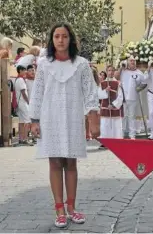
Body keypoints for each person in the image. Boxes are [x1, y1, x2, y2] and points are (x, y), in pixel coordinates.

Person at [29, 22, 100, 228]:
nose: (61, 40)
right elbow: (38, 91)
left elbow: (90, 93)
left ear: (71, 39)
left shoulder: (81, 64)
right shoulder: (44, 64)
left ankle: (72, 208)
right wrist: (34, 120)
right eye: (57, 36)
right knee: (54, 163)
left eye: (64, 36)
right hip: (50, 117)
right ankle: (59, 208)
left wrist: (93, 121)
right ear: (52, 40)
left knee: (71, 163)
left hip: (72, 117)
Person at [116, 56, 144, 139]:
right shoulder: (123, 71)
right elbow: (116, 77)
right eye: (131, 61)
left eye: (134, 61)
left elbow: (144, 83)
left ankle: (132, 134)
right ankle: (122, 133)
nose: (132, 62)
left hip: (133, 97)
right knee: (123, 116)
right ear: (127, 62)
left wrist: (139, 88)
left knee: (132, 116)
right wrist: (121, 68)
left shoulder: (139, 72)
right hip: (123, 97)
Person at [98, 65, 124, 142]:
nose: (111, 72)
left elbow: (120, 96)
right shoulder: (102, 83)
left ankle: (117, 140)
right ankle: (105, 141)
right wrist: (105, 91)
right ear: (106, 71)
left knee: (116, 125)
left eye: (112, 70)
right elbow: (99, 95)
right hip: (105, 107)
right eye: (109, 70)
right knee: (105, 125)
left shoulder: (118, 83)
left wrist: (113, 105)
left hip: (114, 107)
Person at [13, 65, 33, 146]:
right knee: (28, 121)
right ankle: (25, 139)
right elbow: (23, 93)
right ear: (20, 71)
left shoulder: (17, 79)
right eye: (24, 70)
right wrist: (28, 102)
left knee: (21, 122)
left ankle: (21, 139)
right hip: (23, 103)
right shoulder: (21, 80)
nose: (25, 72)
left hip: (19, 103)